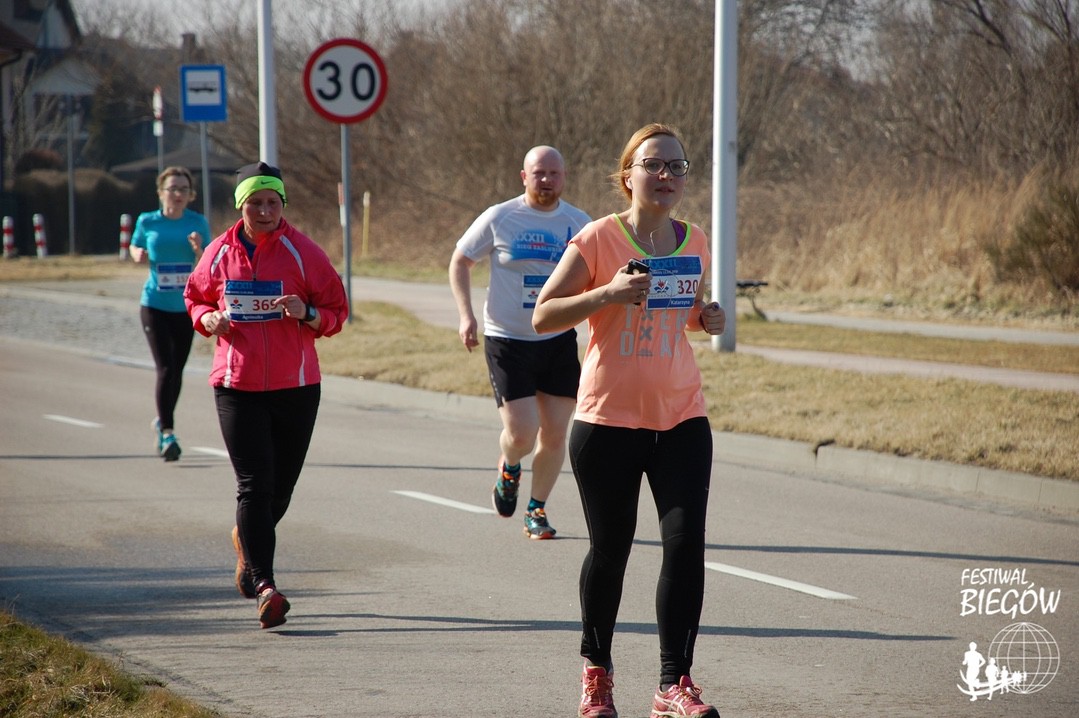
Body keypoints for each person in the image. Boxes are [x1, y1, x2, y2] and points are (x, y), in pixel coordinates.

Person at [532, 123, 726, 718]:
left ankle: (674, 684)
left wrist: (705, 317)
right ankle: (597, 672)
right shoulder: (598, 238)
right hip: (608, 420)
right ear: (628, 175)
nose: (667, 176)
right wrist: (607, 294)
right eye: (654, 165)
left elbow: (681, 310)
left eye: (677, 166)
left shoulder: (694, 239)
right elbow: (544, 314)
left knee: (684, 546)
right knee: (610, 551)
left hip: (681, 417)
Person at [184, 162, 349, 629]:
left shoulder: (304, 253)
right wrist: (207, 319)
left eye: (272, 202)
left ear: (282, 205)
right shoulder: (219, 252)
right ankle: (266, 587)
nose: (264, 210)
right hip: (237, 386)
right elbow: (195, 297)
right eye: (255, 202)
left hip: (296, 387)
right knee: (255, 485)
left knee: (280, 489)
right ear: (241, 206)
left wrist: (307, 312)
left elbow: (337, 312)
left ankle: (247, 540)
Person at [448, 145, 592, 539]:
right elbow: (460, 261)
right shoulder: (500, 217)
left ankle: (536, 510)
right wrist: (466, 315)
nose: (547, 180)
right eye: (539, 173)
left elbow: (598, 274)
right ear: (524, 177)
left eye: (554, 174)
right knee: (522, 433)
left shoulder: (579, 223)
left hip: (557, 339)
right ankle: (510, 466)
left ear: (564, 177)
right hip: (508, 340)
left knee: (556, 433)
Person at [130, 166, 212, 462]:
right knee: (165, 368)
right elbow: (135, 245)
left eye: (184, 189)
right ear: (160, 192)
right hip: (154, 304)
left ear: (191, 195)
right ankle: (168, 432)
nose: (178, 194)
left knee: (177, 370)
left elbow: (209, 260)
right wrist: (137, 254)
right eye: (172, 188)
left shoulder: (197, 222)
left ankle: (162, 419)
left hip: (186, 307)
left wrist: (199, 249)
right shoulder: (147, 220)